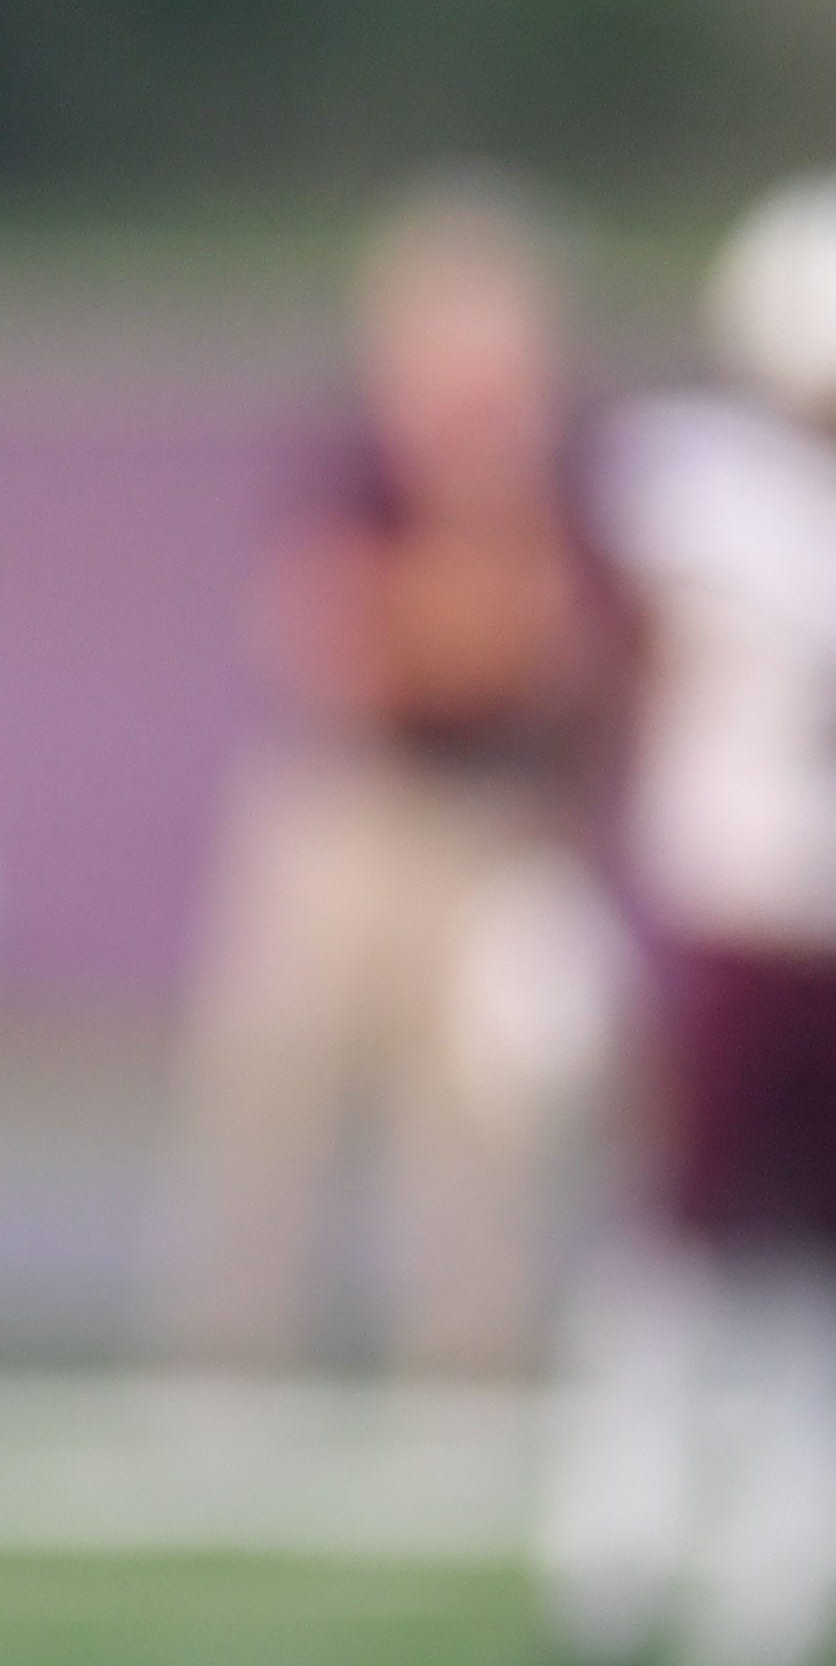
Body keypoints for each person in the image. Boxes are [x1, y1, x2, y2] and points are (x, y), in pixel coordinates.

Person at [165, 181, 619, 1375]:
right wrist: (470, 620)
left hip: (492, 820)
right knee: (275, 1102)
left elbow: (564, 660)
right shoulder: (351, 463)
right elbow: (348, 656)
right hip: (350, 812)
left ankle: (465, 1364)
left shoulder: (558, 477)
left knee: (479, 1134)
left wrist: (479, 572)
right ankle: (231, 1358)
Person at [538, 177, 836, 1666]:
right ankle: (618, 1553)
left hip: (795, 929)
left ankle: (767, 1590)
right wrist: (563, 891)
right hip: (722, 917)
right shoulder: (696, 488)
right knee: (674, 1255)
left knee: (799, 1288)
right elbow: (603, 690)